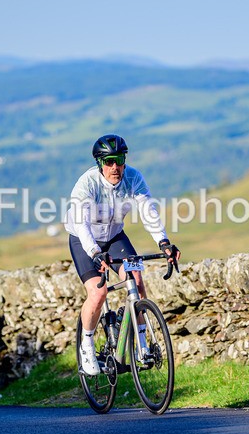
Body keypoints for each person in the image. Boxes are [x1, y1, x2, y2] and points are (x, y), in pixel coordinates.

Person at [64, 134, 180, 375]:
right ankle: (87, 345)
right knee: (98, 293)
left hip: (115, 236)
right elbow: (81, 224)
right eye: (109, 162)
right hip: (84, 240)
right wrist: (95, 252)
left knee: (136, 280)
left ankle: (142, 347)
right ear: (100, 164)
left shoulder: (133, 177)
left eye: (119, 160)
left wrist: (164, 242)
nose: (114, 167)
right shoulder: (87, 184)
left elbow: (148, 210)